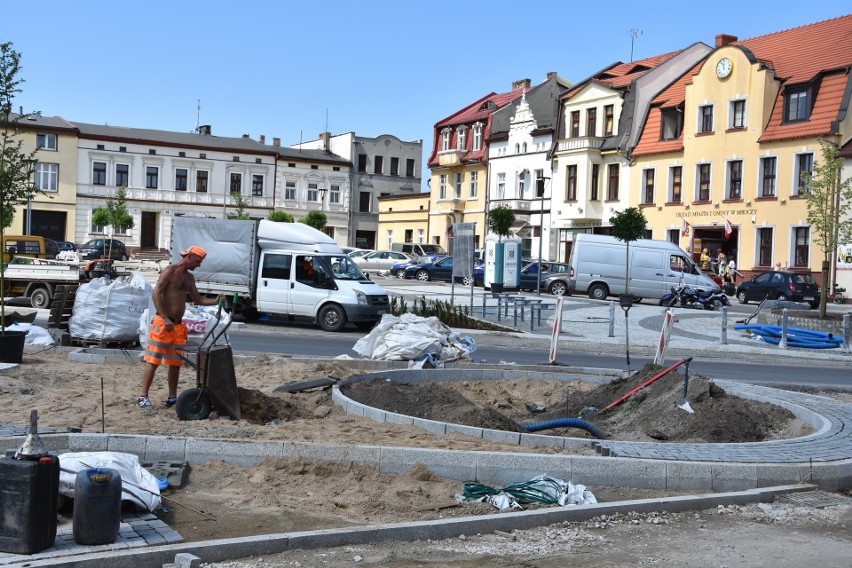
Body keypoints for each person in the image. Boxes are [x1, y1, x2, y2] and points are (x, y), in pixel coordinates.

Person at [137, 245, 220, 410]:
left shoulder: (189, 278)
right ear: (188, 257)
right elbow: (156, 294)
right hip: (163, 323)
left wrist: (215, 300)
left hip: (177, 326)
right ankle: (143, 396)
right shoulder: (169, 271)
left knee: (175, 364)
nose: (199, 265)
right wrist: (165, 317)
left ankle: (172, 397)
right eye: (197, 261)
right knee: (153, 361)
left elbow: (198, 300)